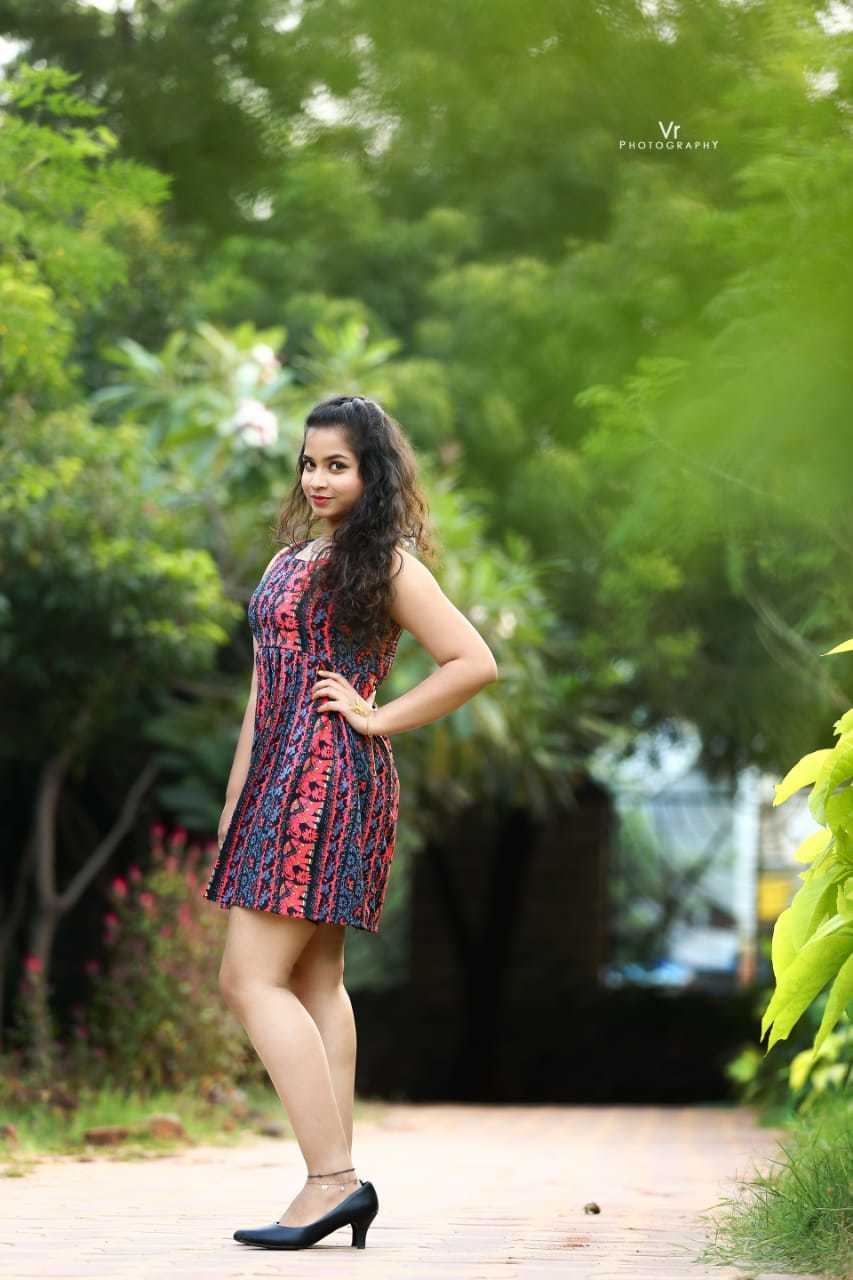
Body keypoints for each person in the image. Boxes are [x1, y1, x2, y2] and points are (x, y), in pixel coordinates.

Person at [201, 394, 499, 1250]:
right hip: (276, 777)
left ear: (373, 473)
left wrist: (375, 715)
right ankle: (334, 1180)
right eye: (309, 463)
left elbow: (472, 661)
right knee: (313, 982)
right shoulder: (287, 560)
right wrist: (235, 801)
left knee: (247, 980)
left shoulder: (386, 563)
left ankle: (332, 1180)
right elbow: (264, 690)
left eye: (338, 464)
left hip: (328, 776)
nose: (318, 479)